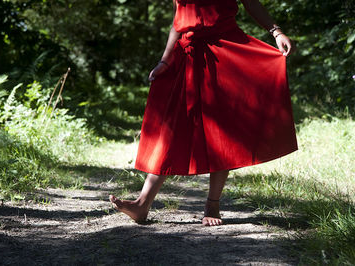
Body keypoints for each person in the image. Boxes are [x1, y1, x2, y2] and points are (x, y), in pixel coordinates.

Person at [109, 0, 298, 226]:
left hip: (226, 52)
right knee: (172, 129)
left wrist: (276, 33)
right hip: (188, 56)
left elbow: (251, 2)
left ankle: (213, 204)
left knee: (222, 131)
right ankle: (142, 204)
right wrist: (165, 61)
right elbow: (178, 22)